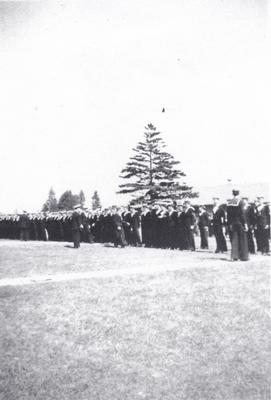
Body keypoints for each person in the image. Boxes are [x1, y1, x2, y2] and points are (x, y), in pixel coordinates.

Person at [227, 190, 248, 261]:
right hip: (240, 223)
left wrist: (230, 224)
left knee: (234, 239)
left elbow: (228, 215)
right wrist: (245, 223)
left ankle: (234, 256)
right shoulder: (240, 202)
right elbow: (242, 214)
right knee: (242, 239)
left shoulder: (229, 202)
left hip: (232, 223)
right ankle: (243, 256)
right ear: (239, 193)